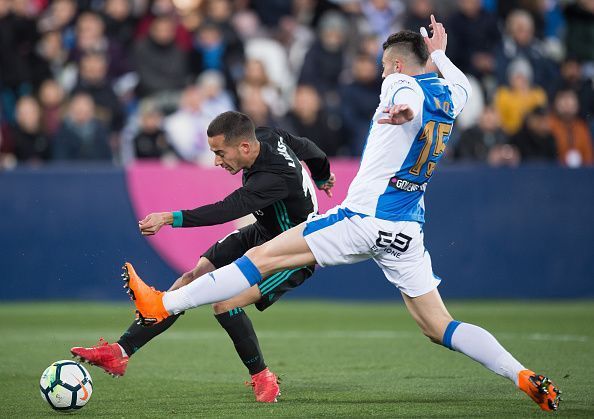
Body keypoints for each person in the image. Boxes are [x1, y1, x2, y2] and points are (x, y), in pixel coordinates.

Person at [125, 16, 562, 412]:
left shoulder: (397, 84)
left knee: (260, 259)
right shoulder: (455, 95)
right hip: (407, 230)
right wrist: (441, 55)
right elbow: (457, 80)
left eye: (383, 68)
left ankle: (163, 303)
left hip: (363, 218)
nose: (381, 75)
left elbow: (404, 89)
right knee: (438, 325)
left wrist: (403, 106)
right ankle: (521, 374)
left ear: (393, 66)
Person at [71, 111, 336, 403]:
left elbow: (226, 210)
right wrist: (322, 175)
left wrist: (169, 217)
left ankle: (263, 377)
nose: (216, 161)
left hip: (293, 253)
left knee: (224, 303)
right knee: (189, 279)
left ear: (244, 147)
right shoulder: (267, 136)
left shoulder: (273, 179)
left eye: (220, 153)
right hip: (263, 232)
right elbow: (310, 148)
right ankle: (120, 353)